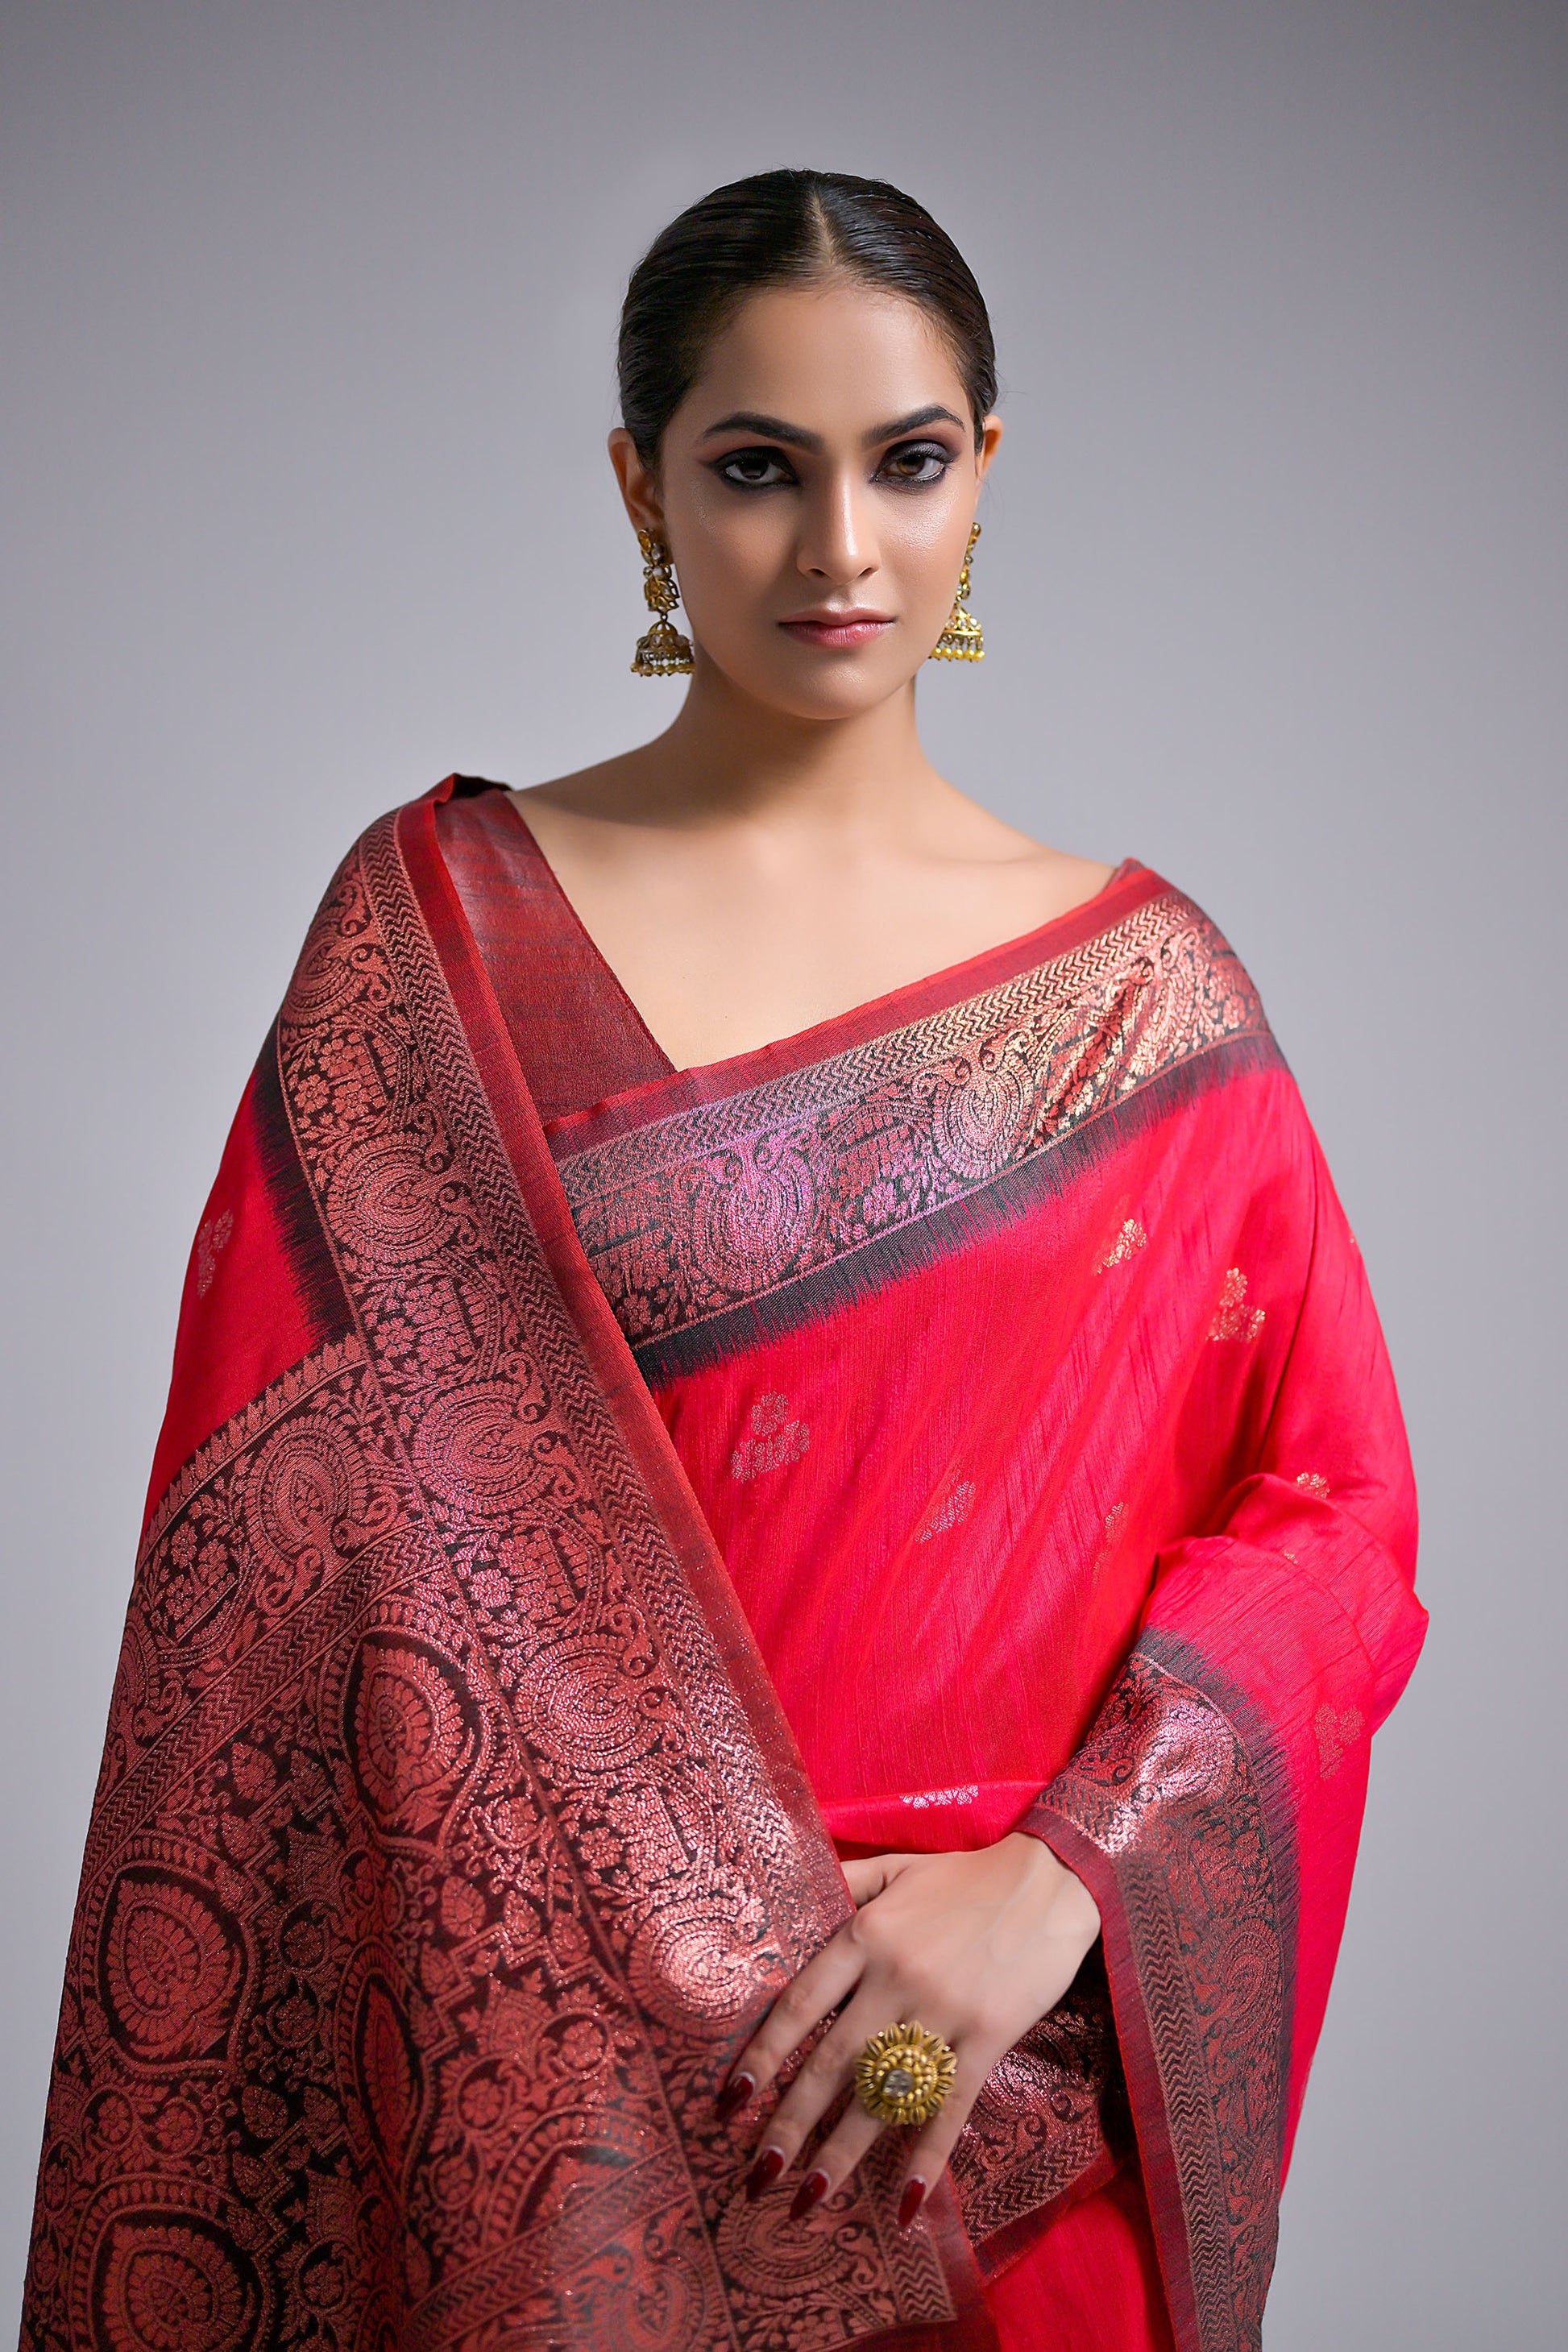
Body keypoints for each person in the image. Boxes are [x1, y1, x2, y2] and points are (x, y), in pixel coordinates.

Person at [22, 171, 1425, 2352]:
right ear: (641, 492)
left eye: (907, 462)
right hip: (534, 2131)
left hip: (959, 2126)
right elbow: (277, 1594)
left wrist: (1066, 1877)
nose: (840, 547)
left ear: (986, 475)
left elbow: (1334, 1519)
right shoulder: (439, 938)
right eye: (759, 468)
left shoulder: (1148, 1008)